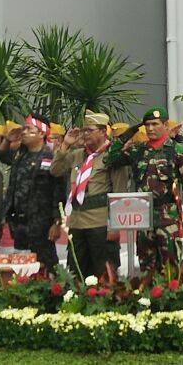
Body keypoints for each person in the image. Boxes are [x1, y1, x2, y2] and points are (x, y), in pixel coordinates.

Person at [105, 107, 183, 272]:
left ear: (165, 125)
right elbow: (109, 159)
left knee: (171, 266)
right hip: (143, 216)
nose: (150, 129)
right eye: (147, 125)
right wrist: (129, 132)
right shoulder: (139, 151)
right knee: (146, 267)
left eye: (155, 124)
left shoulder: (177, 150)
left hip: (168, 216)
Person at [53, 111, 129, 279]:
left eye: (90, 130)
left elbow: (119, 191)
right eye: (84, 130)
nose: (85, 134)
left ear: (103, 131)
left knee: (103, 274)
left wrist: (114, 225)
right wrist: (65, 145)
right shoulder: (78, 155)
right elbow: (56, 170)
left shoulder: (112, 156)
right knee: (77, 274)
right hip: (77, 222)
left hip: (100, 223)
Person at [0, 115, 65, 271]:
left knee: (46, 264)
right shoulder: (20, 155)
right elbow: (2, 156)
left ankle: (53, 292)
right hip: (20, 222)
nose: (24, 132)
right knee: (23, 265)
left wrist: (57, 222)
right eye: (24, 128)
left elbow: (58, 191)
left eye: (29, 129)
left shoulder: (49, 158)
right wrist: (7, 140)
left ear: (41, 134)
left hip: (42, 223)